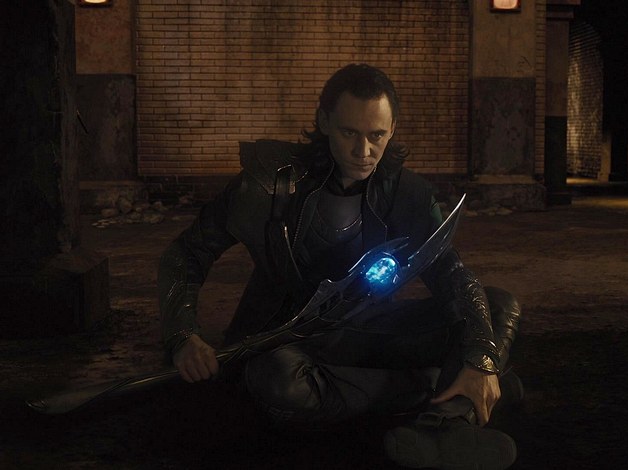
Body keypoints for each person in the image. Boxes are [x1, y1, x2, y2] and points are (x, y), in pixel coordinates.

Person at [158, 63, 521, 470]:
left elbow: (452, 277)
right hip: (286, 340)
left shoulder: (407, 193)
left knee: (496, 307)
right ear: (324, 121)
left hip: (370, 331)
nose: (363, 151)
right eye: (350, 133)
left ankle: (445, 425)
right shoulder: (269, 183)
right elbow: (186, 254)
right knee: (278, 383)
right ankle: (441, 387)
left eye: (376, 135)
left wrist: (480, 358)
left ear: (392, 129)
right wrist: (182, 335)